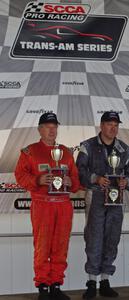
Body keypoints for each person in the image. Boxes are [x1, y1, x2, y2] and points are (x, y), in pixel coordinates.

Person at [15, 112, 80, 300]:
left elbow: (76, 181)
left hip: (63, 205)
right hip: (42, 205)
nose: (52, 130)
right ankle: (43, 286)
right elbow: (20, 176)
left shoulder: (66, 152)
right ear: (40, 129)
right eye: (48, 127)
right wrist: (38, 179)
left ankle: (56, 285)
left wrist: (70, 181)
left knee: (61, 246)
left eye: (55, 127)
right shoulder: (29, 151)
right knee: (43, 246)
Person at [76, 111, 129, 299]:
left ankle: (105, 280)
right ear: (101, 126)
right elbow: (79, 171)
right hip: (96, 196)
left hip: (117, 199)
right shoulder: (87, 146)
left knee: (112, 238)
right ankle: (91, 281)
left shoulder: (125, 149)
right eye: (109, 124)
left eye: (116, 125)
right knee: (94, 238)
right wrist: (96, 178)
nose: (113, 128)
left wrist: (127, 181)